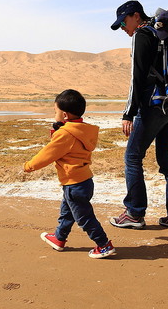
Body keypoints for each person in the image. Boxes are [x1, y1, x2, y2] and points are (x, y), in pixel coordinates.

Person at [108, 0, 168, 231]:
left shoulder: (142, 35)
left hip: (152, 106)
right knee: (167, 161)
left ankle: (134, 213)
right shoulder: (163, 33)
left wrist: (128, 113)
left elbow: (138, 78)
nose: (124, 28)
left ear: (136, 16)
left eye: (124, 22)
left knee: (132, 158)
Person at [24, 89, 116, 259]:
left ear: (64, 115)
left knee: (84, 217)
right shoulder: (82, 130)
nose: (54, 115)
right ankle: (59, 238)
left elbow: (48, 154)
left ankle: (103, 245)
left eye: (55, 111)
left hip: (74, 183)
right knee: (67, 211)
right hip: (83, 180)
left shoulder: (65, 134)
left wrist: (29, 166)